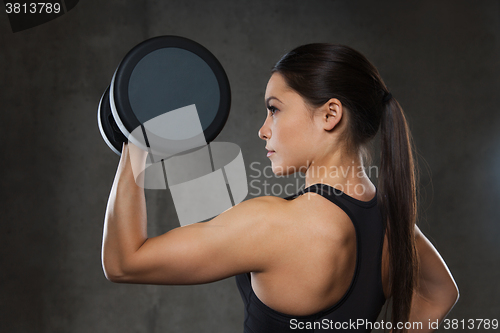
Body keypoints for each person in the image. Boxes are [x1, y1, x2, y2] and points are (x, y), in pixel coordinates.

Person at [101, 43, 459, 332]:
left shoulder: (273, 224)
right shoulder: (394, 224)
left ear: (330, 115)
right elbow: (440, 292)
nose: (263, 129)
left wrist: (137, 140)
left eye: (274, 110)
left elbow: (124, 263)